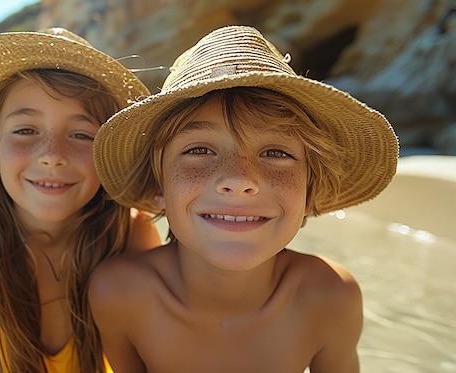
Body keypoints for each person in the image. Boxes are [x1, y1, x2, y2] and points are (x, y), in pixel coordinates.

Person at [89, 25, 399, 373]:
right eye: (200, 150)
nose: (238, 180)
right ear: (158, 186)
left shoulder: (330, 296)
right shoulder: (118, 294)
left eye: (276, 153)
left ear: (311, 188)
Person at [0, 28, 162, 373]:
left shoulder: (130, 234)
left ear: (106, 159)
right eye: (25, 131)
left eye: (82, 135)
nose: (52, 156)